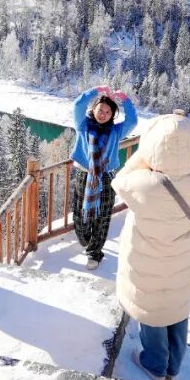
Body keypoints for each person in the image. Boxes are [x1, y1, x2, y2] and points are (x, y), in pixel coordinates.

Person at [113, 111, 190, 380]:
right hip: (182, 258)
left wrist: (144, 155)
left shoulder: (143, 185)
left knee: (153, 307)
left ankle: (156, 365)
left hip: (147, 258)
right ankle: (175, 364)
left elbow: (118, 180)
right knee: (176, 305)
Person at [70, 85, 138, 270]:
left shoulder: (116, 131)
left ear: (113, 115)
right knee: (80, 214)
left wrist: (124, 99)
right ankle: (85, 239)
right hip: (84, 174)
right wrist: (97, 90)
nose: (103, 114)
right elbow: (77, 105)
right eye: (101, 110)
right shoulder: (83, 124)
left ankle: (94, 252)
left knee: (103, 216)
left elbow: (132, 120)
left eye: (108, 112)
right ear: (94, 109)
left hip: (106, 177)